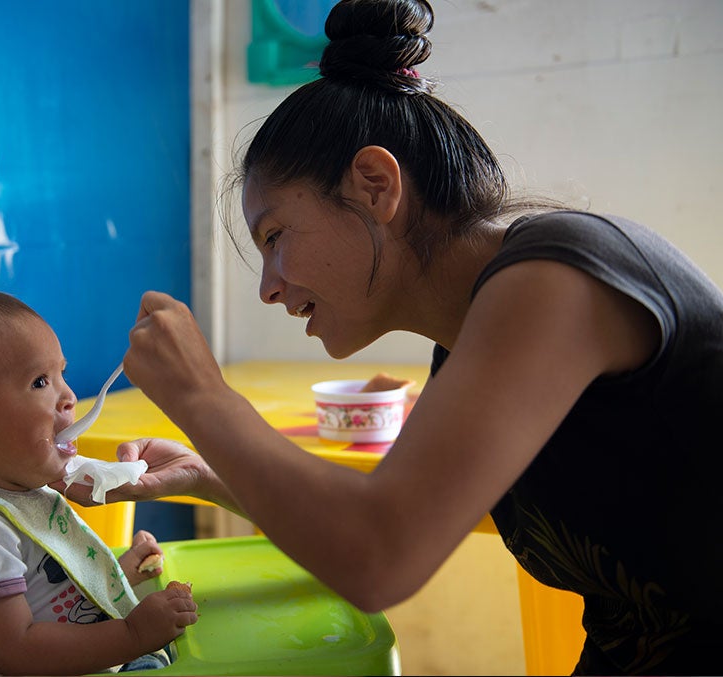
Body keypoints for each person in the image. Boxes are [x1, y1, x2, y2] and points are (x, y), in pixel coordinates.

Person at [57, 1, 723, 674]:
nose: (269, 286)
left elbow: (380, 552)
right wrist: (210, 472)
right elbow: (402, 505)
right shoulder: (471, 334)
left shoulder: (557, 279)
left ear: (376, 186)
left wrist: (203, 396)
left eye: (275, 236)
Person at [0, 281, 197, 676]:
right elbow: (19, 650)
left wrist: (118, 571)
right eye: (40, 382)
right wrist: (133, 633)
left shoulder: (13, 490)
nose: (69, 397)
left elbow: (46, 588)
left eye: (61, 374)